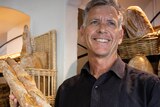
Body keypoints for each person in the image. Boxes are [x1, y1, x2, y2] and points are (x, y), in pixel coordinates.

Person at [10, 0, 160, 107]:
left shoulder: (150, 87)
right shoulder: (65, 90)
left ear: (120, 36)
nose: (102, 29)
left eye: (111, 23)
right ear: (82, 32)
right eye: (94, 22)